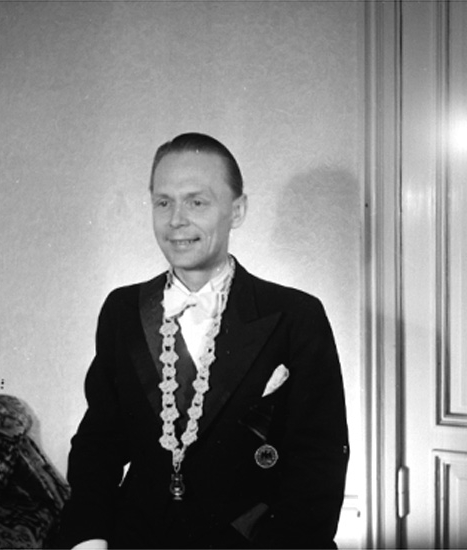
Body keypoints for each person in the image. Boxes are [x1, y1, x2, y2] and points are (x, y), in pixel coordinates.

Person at [58, 133, 349, 549]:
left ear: (237, 211)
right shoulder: (123, 311)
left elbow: (318, 462)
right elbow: (98, 442)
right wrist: (89, 537)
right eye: (163, 202)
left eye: (197, 202)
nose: (176, 219)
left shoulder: (296, 316)